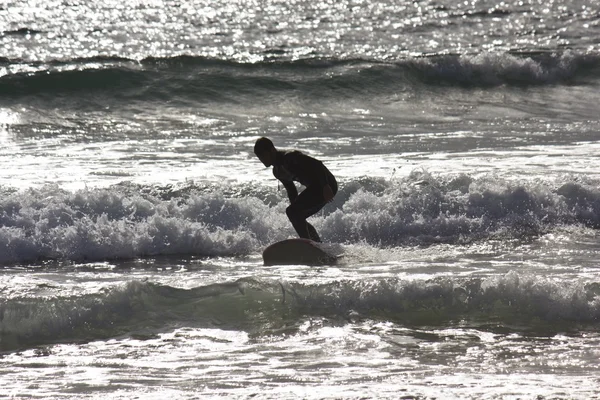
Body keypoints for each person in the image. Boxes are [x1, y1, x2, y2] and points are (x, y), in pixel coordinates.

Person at [254, 137, 337, 243]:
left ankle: (307, 245)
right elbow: (291, 191)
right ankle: (317, 245)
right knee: (296, 215)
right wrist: (295, 211)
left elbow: (317, 165)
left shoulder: (290, 157)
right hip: (315, 188)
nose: (262, 160)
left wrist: (326, 186)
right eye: (259, 157)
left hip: (326, 185)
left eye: (263, 155)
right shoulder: (278, 172)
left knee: (293, 212)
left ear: (272, 150)